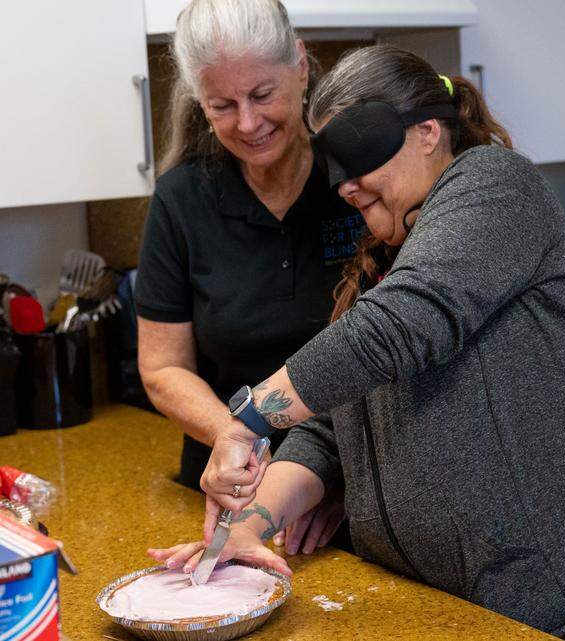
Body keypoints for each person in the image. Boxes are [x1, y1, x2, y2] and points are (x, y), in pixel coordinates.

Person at [149, 45, 565, 640]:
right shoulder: (390, 263)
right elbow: (330, 427)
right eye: (336, 169)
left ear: (429, 131)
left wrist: (246, 420)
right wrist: (250, 527)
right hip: (476, 610)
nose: (347, 187)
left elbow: (391, 331)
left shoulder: (496, 187)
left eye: (359, 158)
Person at [133, 0, 357, 554]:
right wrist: (230, 433)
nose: (248, 123)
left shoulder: (358, 181)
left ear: (301, 68)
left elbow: (398, 348)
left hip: (352, 494)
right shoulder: (182, 199)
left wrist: (337, 479)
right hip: (229, 490)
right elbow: (162, 367)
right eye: (222, 105)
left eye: (261, 95)